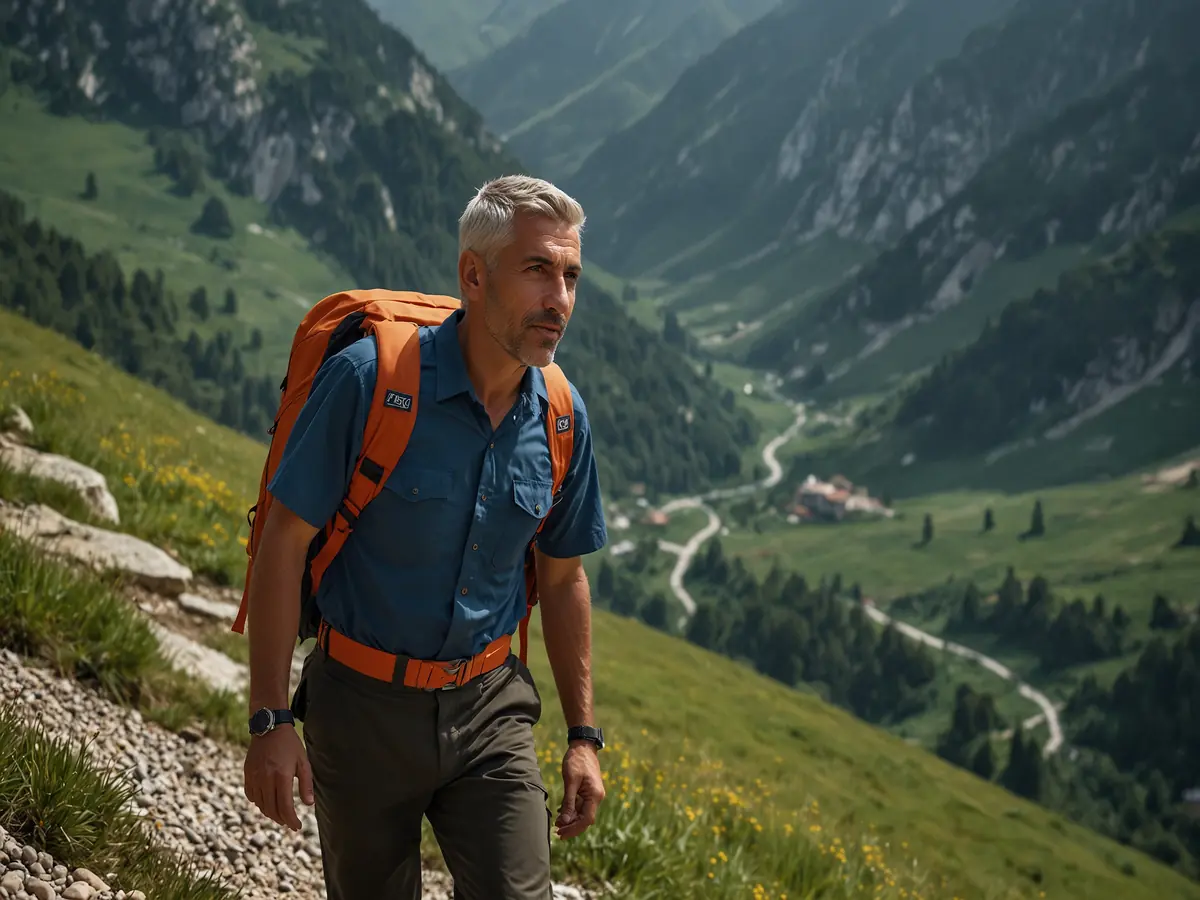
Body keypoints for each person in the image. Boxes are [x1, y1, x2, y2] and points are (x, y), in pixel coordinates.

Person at [240, 175, 609, 899]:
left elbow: (564, 578)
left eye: (570, 276)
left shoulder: (562, 416)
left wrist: (583, 739)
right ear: (473, 274)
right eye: (538, 269)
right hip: (360, 708)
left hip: (490, 710)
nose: (560, 299)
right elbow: (283, 543)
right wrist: (270, 719)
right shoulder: (369, 381)